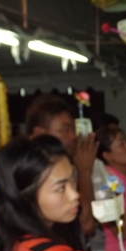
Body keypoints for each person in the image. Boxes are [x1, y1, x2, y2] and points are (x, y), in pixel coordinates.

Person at [25, 95, 98, 235]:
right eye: (65, 130)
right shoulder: (32, 170)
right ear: (40, 133)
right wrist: (84, 171)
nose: (73, 137)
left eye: (72, 130)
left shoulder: (68, 161)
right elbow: (86, 224)